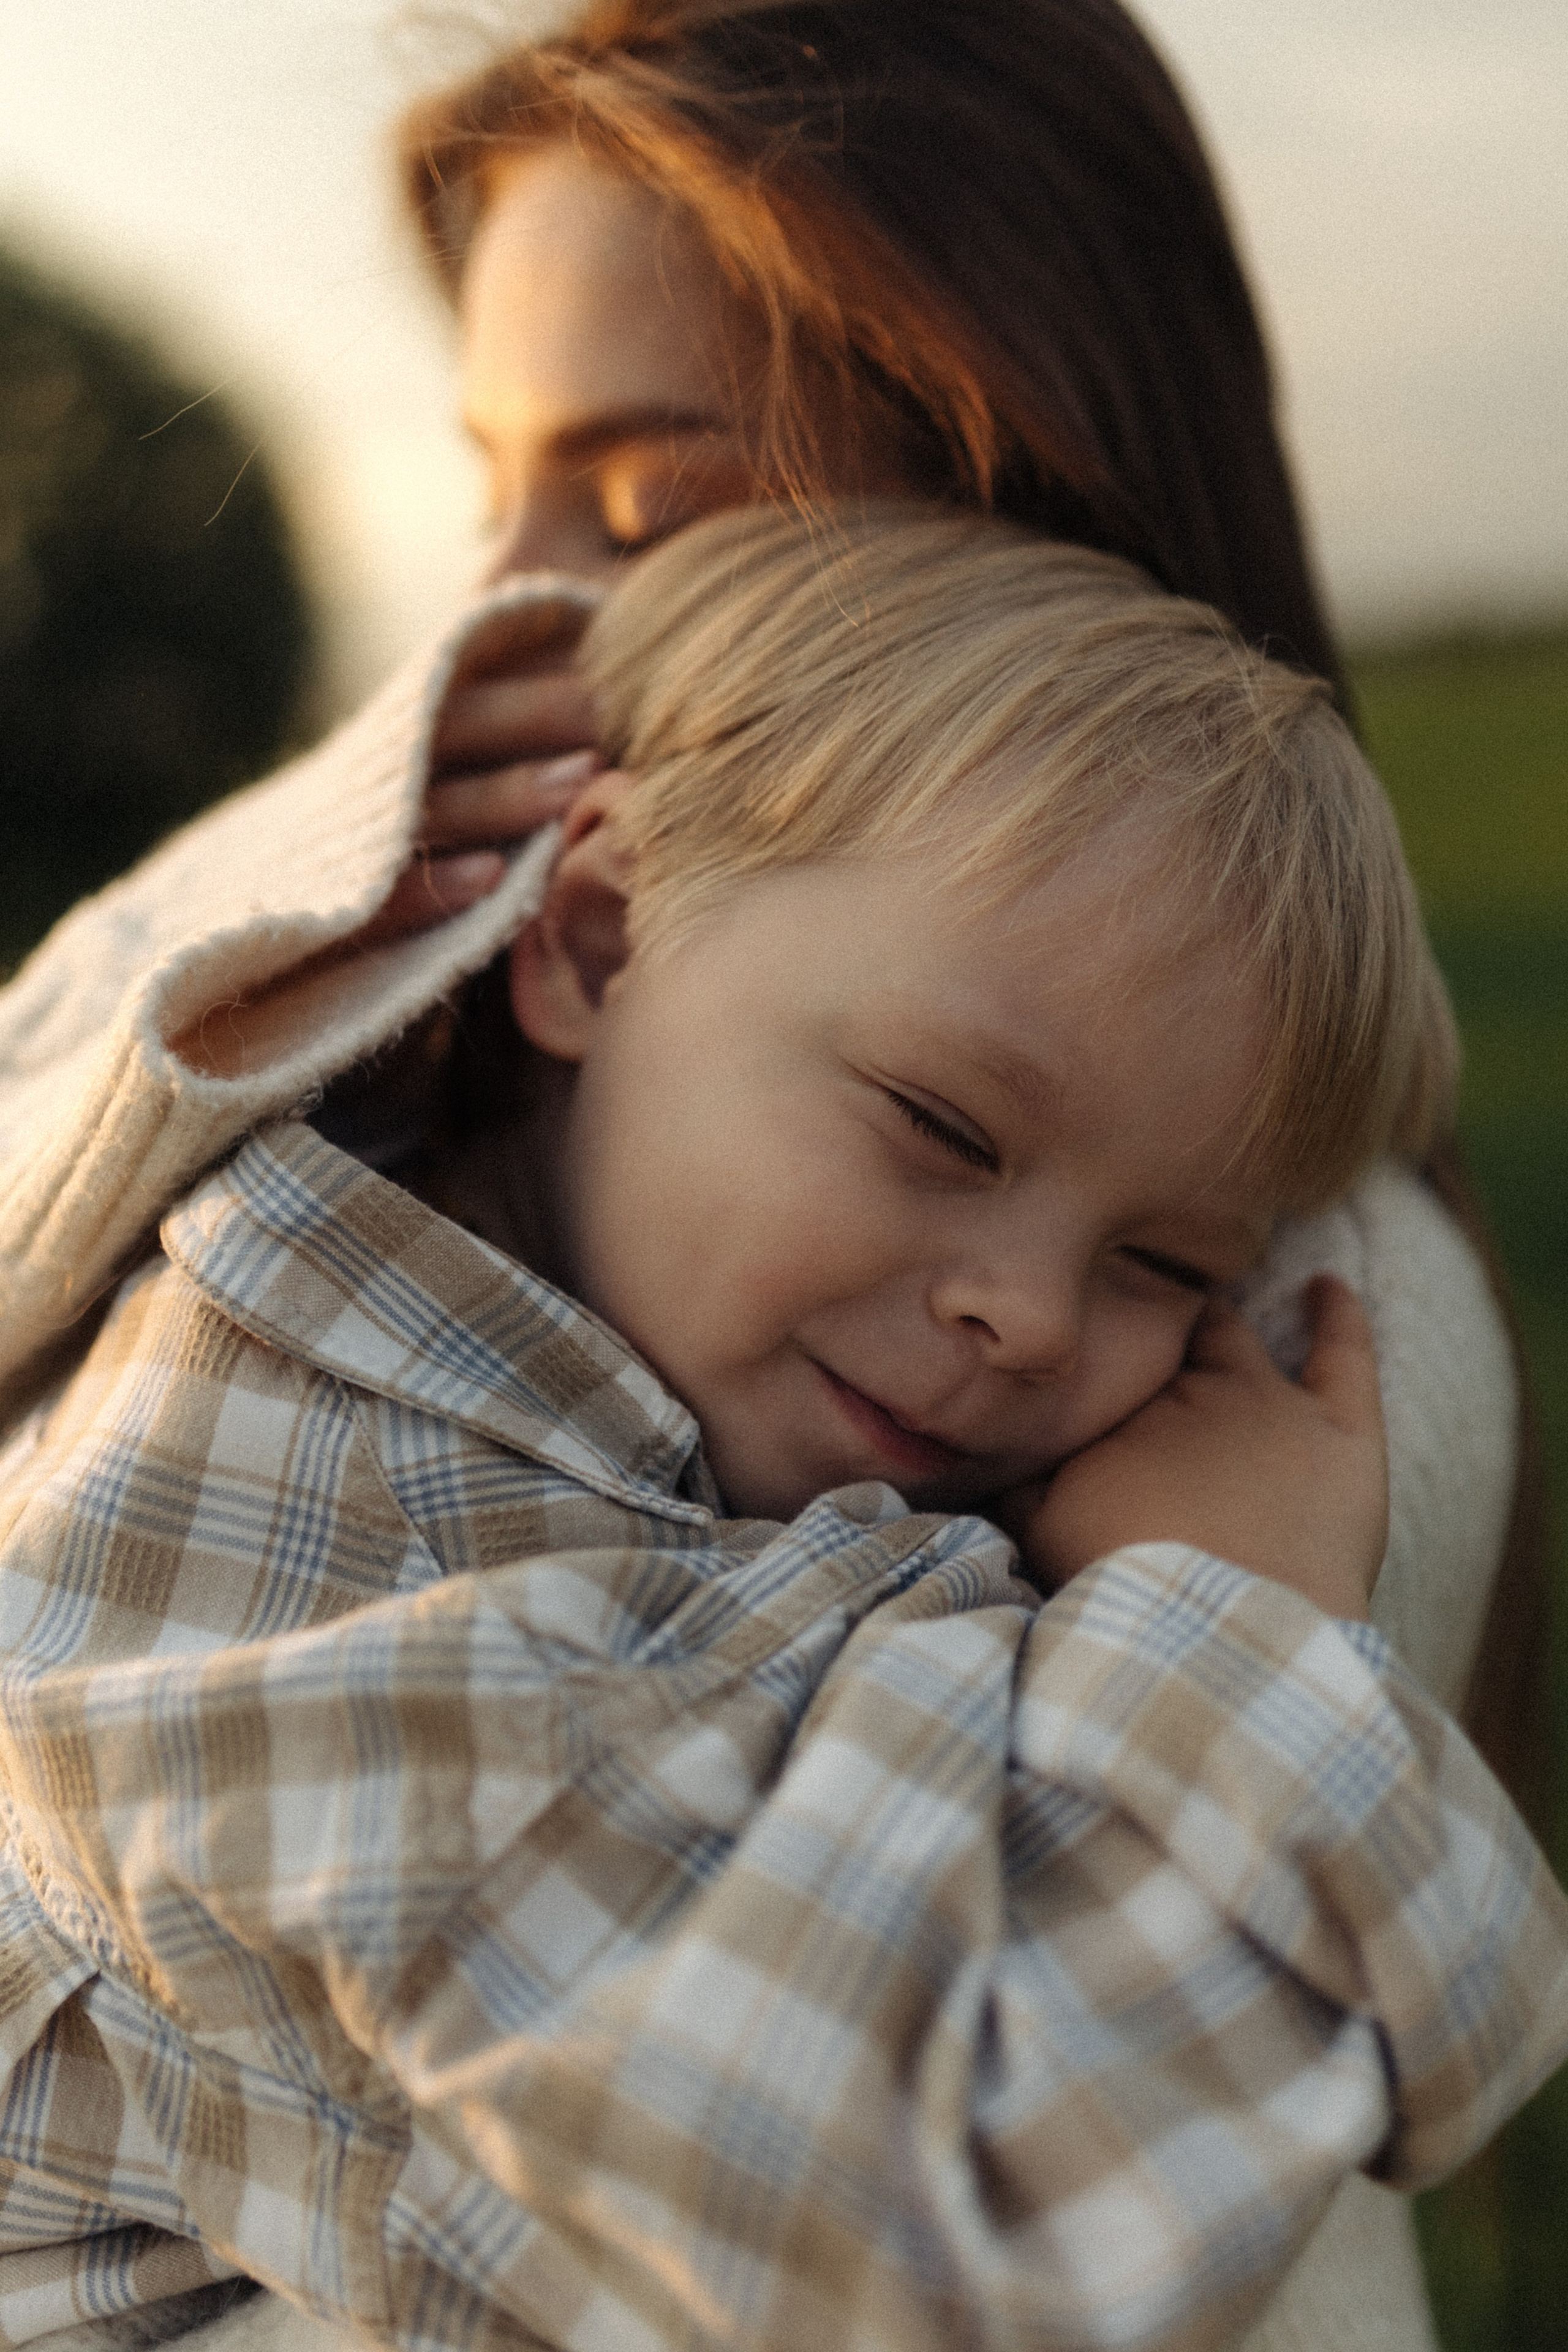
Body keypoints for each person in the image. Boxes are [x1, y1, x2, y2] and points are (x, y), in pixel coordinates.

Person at [0, 4, 1532, 2345]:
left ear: (1019, 492)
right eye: (497, 483)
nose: (501, 625)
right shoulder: (309, 1419)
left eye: (648, 506)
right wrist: (1223, 1663)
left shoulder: (1288, 1313)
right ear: (599, 942)